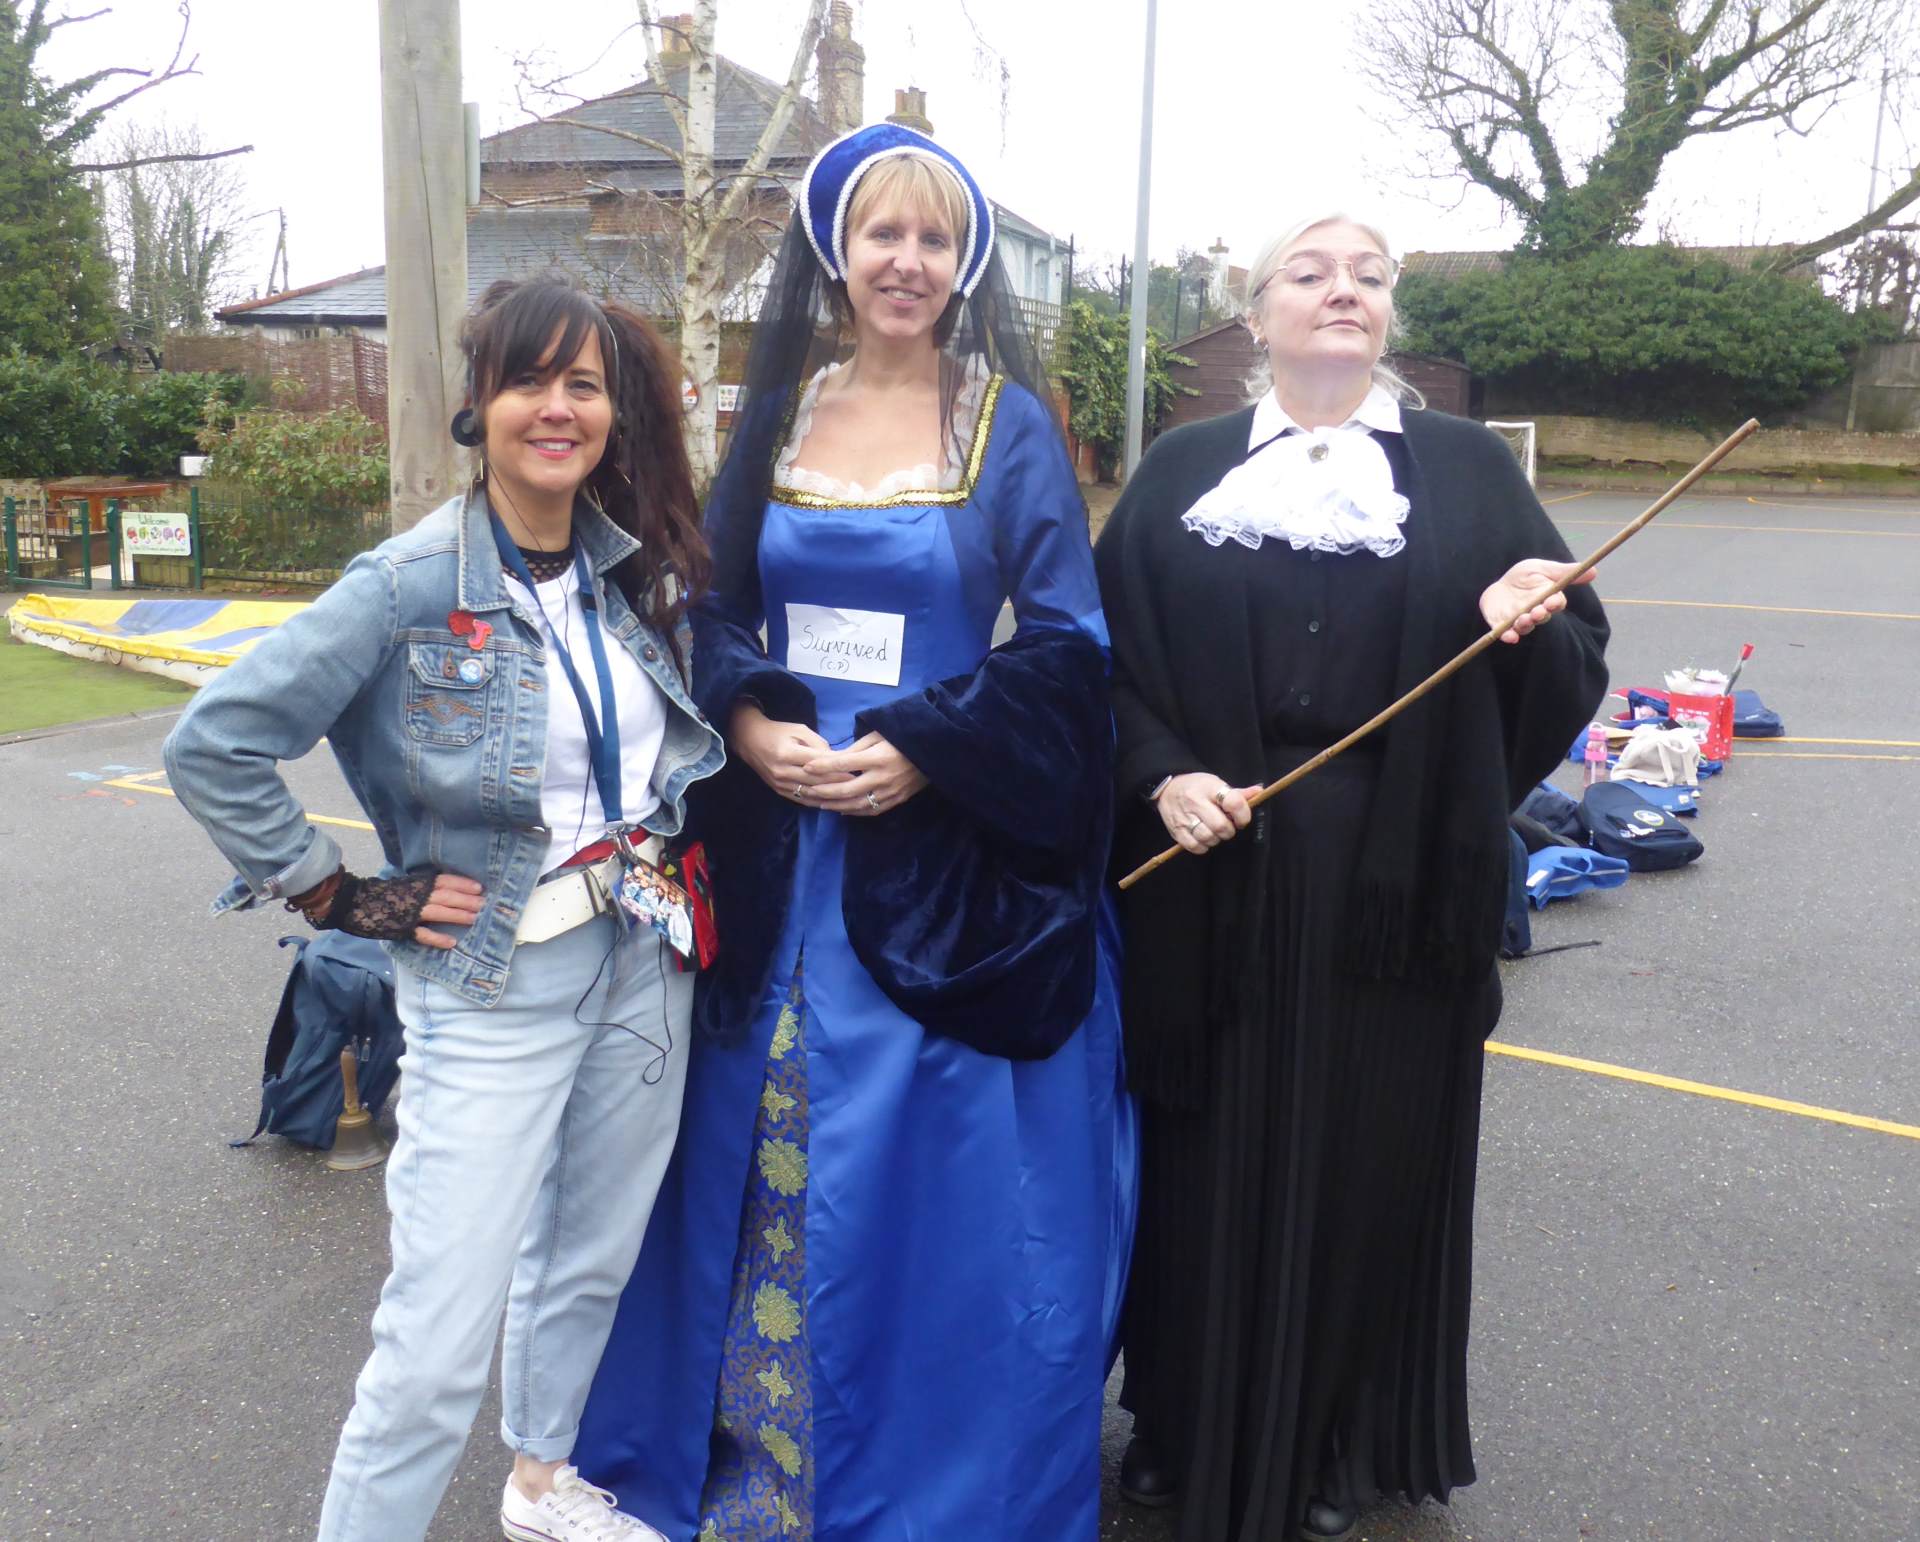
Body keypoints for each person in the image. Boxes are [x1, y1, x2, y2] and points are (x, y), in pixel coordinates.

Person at [571, 123, 1135, 1541]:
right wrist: (747, 717)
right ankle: (752, 1468)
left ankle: (913, 1488)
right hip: (778, 833)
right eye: (884, 233)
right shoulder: (779, 415)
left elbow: (1070, 642)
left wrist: (932, 748)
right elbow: (708, 600)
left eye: (936, 239)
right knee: (754, 1136)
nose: (908, 261)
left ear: (965, 264)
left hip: (932, 853)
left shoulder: (1006, 423)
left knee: (920, 1166)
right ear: (836, 252)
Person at [162, 278, 724, 1542]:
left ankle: (540, 1485)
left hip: (641, 960)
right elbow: (214, 743)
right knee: (434, 1342)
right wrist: (339, 893)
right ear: (480, 404)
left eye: (584, 385)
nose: (558, 408)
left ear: (611, 414)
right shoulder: (409, 581)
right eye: (530, 382)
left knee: (588, 1260)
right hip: (489, 985)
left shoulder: (618, 570)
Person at [1095, 216, 1609, 1542]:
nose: (1344, 291)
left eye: (1370, 277)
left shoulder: (1470, 469)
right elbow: (1100, 661)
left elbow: (1573, 658)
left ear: (1389, 315)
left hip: (1399, 890)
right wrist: (1161, 775)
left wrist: (1524, 623)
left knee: (1368, 1160)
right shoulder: (1184, 467)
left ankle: (1335, 1431)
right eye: (1312, 273)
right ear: (1254, 309)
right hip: (1212, 875)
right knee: (1204, 1162)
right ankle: (1182, 1416)